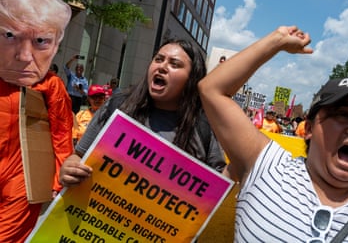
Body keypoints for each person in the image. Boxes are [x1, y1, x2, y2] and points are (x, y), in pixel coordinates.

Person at [198, 26, 348, 242]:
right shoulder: (267, 167)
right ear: (308, 129)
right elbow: (212, 89)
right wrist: (277, 41)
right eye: (343, 114)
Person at [59, 38, 227, 188]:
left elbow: (215, 190)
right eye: (159, 59)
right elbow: (79, 155)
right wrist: (70, 167)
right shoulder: (118, 105)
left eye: (174, 64)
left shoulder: (203, 126)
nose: (162, 67)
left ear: (192, 78)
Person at [0, 0, 74, 241]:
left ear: (55, 47)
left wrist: (59, 180)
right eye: (9, 35)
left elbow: (62, 136)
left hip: (21, 183)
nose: (24, 55)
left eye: (41, 41)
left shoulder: (51, 87)